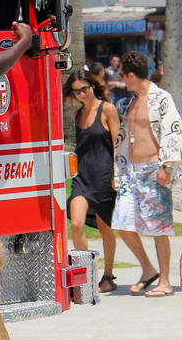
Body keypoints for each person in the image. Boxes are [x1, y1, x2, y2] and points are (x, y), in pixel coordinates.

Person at [111, 51, 182, 297]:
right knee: (121, 223)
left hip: (154, 170)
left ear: (130, 75)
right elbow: (124, 140)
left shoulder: (161, 98)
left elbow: (174, 132)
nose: (122, 79)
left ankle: (165, 281)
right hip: (131, 173)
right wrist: (118, 172)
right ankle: (148, 269)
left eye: (122, 75)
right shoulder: (132, 100)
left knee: (157, 228)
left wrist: (167, 167)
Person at [63, 68, 120, 293]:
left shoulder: (107, 109)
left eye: (84, 89)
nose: (81, 94)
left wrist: (117, 174)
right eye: (76, 92)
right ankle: (86, 275)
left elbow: (118, 144)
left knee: (106, 229)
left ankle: (108, 276)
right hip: (82, 178)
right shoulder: (77, 115)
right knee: (76, 224)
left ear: (93, 86)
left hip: (105, 177)